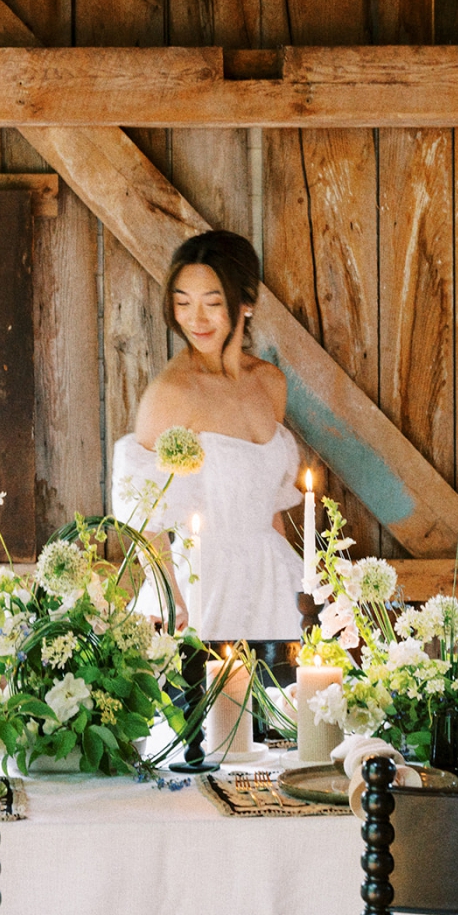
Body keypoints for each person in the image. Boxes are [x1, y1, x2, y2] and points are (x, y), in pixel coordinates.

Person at [112, 229, 303, 641]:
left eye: (212, 304)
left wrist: (298, 584)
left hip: (270, 579)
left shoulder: (270, 384)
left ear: (245, 302)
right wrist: (169, 597)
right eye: (182, 303)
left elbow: (269, 501)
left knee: (285, 695)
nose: (195, 319)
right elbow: (139, 514)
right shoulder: (171, 394)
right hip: (200, 584)